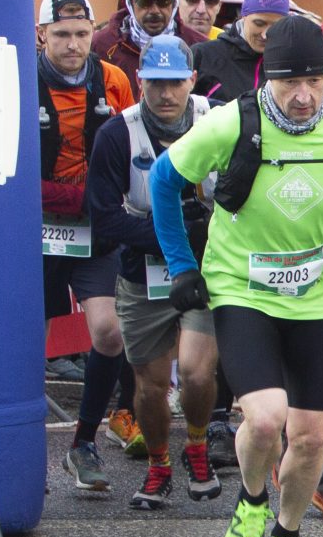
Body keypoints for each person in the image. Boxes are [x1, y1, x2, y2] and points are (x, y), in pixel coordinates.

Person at [148, 16, 323, 537]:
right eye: (289, 81)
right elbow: (165, 180)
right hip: (241, 288)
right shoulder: (232, 122)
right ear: (267, 77)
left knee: (311, 436)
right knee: (265, 417)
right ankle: (251, 502)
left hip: (315, 293)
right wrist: (182, 265)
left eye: (314, 80)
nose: (302, 94)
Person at [86, 35, 225, 510]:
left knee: (195, 371)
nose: (166, 95)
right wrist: (173, 233)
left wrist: (201, 231)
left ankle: (199, 446)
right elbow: (103, 218)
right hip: (143, 270)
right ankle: (159, 463)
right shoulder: (116, 134)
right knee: (148, 384)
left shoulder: (219, 119)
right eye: (155, 84)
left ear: (192, 80)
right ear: (140, 81)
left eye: (175, 83)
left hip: (207, 268)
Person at [38, 0, 138, 490]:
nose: (74, 44)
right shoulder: (17, 80)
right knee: (19, 337)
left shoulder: (114, 79)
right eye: (62, 35)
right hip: (32, 231)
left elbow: (132, 147)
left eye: (81, 33)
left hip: (95, 230)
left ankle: (83, 443)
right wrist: (74, 198)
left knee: (108, 332)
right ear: (42, 36)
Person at [92, 0, 209, 95]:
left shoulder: (198, 47)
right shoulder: (101, 45)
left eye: (163, 0)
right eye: (144, 1)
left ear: (174, 1)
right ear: (129, 3)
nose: (154, 10)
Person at [195, 0, 289, 104]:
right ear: (243, 16)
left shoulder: (289, 63)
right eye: (259, 23)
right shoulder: (204, 55)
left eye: (276, 26)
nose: (265, 35)